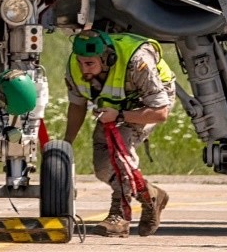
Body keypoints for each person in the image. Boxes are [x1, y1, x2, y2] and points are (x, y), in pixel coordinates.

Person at [62, 28, 175, 238]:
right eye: (80, 62)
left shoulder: (139, 62)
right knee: (102, 167)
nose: (83, 69)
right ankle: (150, 195)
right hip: (114, 109)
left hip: (148, 104)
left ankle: (120, 216)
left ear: (107, 59)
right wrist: (66, 142)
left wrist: (120, 116)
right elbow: (77, 105)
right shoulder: (75, 68)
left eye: (89, 64)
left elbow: (160, 112)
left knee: (119, 151)